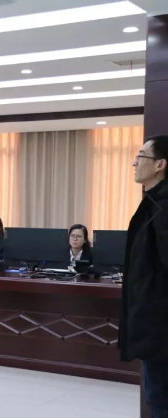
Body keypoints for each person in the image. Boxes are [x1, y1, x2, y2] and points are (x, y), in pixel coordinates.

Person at [120, 135, 168, 418]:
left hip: (160, 326)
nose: (135, 163)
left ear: (160, 164)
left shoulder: (164, 208)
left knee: (160, 401)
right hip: (153, 324)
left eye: (141, 156)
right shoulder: (152, 203)